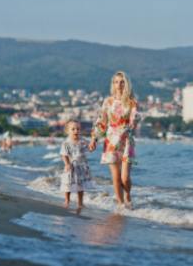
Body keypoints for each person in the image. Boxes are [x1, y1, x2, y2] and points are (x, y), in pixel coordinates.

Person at [89, 71, 140, 209]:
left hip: (126, 140)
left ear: (127, 84)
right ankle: (121, 205)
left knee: (125, 178)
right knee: (116, 177)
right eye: (116, 82)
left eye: (122, 82)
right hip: (111, 140)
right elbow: (102, 121)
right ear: (113, 84)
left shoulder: (132, 102)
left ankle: (128, 194)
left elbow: (134, 118)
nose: (119, 85)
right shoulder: (108, 101)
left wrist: (133, 123)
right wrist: (94, 138)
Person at [60, 120, 95, 212]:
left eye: (78, 129)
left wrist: (93, 141)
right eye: (73, 129)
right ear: (68, 131)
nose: (76, 131)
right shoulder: (66, 143)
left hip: (82, 166)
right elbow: (64, 154)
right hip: (71, 166)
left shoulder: (83, 141)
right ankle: (67, 200)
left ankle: (80, 202)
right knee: (68, 184)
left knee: (81, 186)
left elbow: (90, 149)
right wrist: (67, 164)